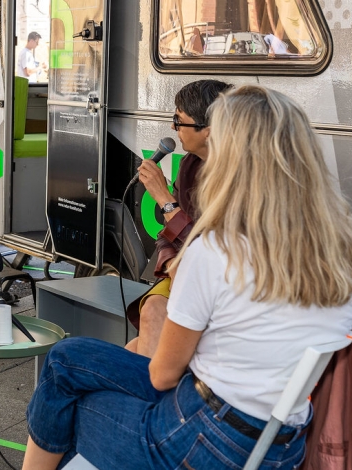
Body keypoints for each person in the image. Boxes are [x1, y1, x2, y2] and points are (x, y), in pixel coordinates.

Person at [22, 85, 352, 469]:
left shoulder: (215, 251)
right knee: (69, 359)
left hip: (202, 438)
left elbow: (162, 376)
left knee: (67, 392)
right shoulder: (336, 253)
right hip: (282, 446)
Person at [125, 79, 233, 357]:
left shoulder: (238, 175)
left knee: (147, 327)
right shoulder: (190, 164)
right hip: (184, 269)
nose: (173, 129)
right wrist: (171, 262)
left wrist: (163, 198)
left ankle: (160, 384)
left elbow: (212, 249)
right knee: (136, 341)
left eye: (179, 120)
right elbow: (167, 233)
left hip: (220, 279)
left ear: (208, 130)